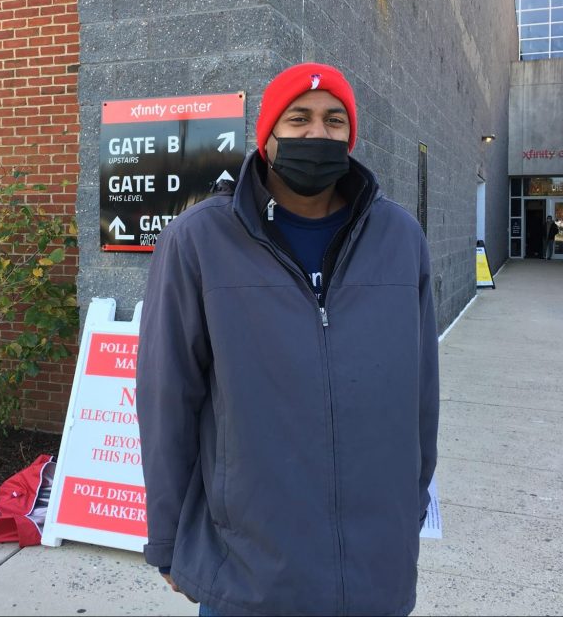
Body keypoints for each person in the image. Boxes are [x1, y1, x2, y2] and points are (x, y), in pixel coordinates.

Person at [136, 62, 440, 616]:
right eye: (298, 118)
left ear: (351, 136)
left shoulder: (400, 239)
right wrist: (169, 542)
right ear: (267, 134)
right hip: (251, 574)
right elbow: (167, 400)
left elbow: (420, 394)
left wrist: (410, 506)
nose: (317, 134)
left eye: (334, 120)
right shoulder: (199, 241)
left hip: (377, 570)